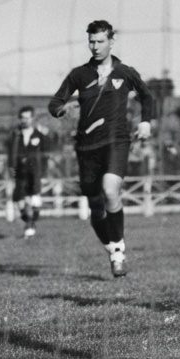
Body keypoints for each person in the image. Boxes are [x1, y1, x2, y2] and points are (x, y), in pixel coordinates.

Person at [48, 19, 156, 277]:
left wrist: (145, 122)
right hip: (86, 147)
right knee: (95, 205)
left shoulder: (125, 72)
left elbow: (147, 96)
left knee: (110, 190)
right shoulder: (79, 74)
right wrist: (63, 108)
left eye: (100, 41)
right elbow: (55, 102)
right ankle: (111, 249)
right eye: (92, 42)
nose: (95, 46)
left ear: (111, 41)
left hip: (117, 141)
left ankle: (119, 248)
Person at [7, 106, 49, 238]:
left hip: (35, 172)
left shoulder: (40, 135)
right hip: (19, 172)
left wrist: (43, 174)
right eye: (22, 118)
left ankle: (30, 224)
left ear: (32, 118)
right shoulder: (15, 136)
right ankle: (29, 222)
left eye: (27, 117)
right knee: (18, 199)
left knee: (33, 199)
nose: (24, 120)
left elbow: (46, 155)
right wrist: (10, 167)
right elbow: (9, 153)